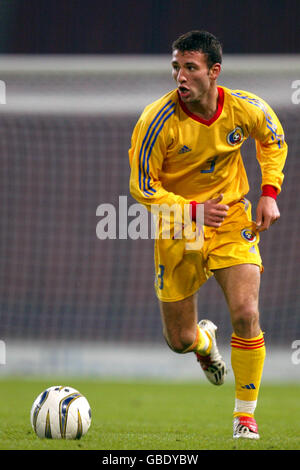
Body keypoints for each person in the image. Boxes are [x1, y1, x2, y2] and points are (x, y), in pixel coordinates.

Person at [128, 30, 287, 439]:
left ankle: (245, 417)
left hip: (232, 218)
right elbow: (142, 188)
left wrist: (269, 193)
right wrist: (194, 211)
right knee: (178, 340)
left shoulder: (244, 108)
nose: (180, 76)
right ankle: (203, 341)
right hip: (179, 227)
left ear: (214, 72)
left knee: (247, 313)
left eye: (190, 68)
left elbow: (273, 139)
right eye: (176, 67)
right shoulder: (156, 121)